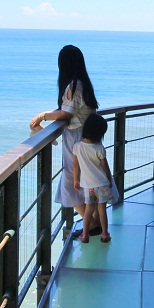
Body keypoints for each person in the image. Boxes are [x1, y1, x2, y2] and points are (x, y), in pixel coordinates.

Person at [29, 45, 100, 237]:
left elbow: (66, 114)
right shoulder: (83, 84)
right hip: (87, 138)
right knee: (86, 182)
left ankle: (92, 224)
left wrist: (43, 115)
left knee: (71, 182)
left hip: (77, 140)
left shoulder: (73, 86)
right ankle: (94, 223)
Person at [72, 113, 114, 244]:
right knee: (102, 210)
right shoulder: (99, 148)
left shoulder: (77, 147)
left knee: (88, 210)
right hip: (101, 184)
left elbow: (75, 165)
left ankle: (85, 235)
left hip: (88, 185)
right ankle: (105, 234)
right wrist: (109, 179)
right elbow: (105, 166)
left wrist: (75, 180)